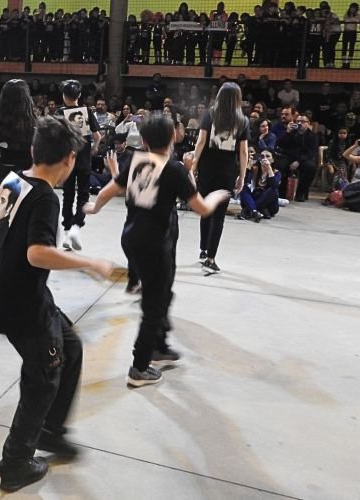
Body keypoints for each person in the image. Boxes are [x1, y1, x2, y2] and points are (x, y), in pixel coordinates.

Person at [0, 115, 112, 493]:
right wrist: (89, 263)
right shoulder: (46, 197)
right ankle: (15, 463)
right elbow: (37, 254)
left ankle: (51, 430)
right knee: (42, 379)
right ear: (69, 160)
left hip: (14, 295)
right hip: (24, 307)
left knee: (71, 346)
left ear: (33, 150)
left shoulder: (12, 180)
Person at [84, 114, 230, 386]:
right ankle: (140, 367)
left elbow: (108, 190)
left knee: (162, 293)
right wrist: (217, 196)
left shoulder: (136, 161)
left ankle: (159, 346)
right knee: (154, 304)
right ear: (174, 136)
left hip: (132, 238)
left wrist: (94, 208)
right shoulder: (174, 169)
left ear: (144, 140)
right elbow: (202, 208)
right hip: (154, 243)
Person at [191, 82, 249, 274]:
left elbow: (201, 142)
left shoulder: (210, 114)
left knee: (205, 209)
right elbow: (243, 151)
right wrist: (242, 175)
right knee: (219, 216)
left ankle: (203, 248)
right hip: (227, 171)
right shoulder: (242, 121)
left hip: (207, 168)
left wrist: (194, 165)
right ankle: (211, 257)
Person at [55, 79, 101, 251]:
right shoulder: (86, 111)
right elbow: (97, 136)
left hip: (67, 160)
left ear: (63, 96)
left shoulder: (60, 112)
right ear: (79, 95)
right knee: (83, 195)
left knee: (67, 195)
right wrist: (94, 147)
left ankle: (67, 230)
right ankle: (76, 225)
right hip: (83, 159)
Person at [274, 114, 318, 201]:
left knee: (311, 167)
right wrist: (287, 132)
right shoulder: (291, 132)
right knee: (280, 165)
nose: (300, 123)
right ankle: (281, 192)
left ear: (308, 123)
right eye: (298, 121)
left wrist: (298, 161)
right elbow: (280, 144)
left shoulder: (312, 136)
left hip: (303, 158)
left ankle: (301, 193)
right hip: (289, 156)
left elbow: (311, 153)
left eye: (303, 122)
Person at [237, 149, 281, 221]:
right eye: (262, 156)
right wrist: (249, 165)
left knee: (273, 190)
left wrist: (269, 168)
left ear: (273, 160)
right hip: (255, 199)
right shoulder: (255, 169)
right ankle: (255, 211)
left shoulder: (276, 172)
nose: (264, 158)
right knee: (243, 187)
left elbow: (274, 185)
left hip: (269, 205)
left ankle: (248, 210)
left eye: (268, 156)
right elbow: (244, 181)